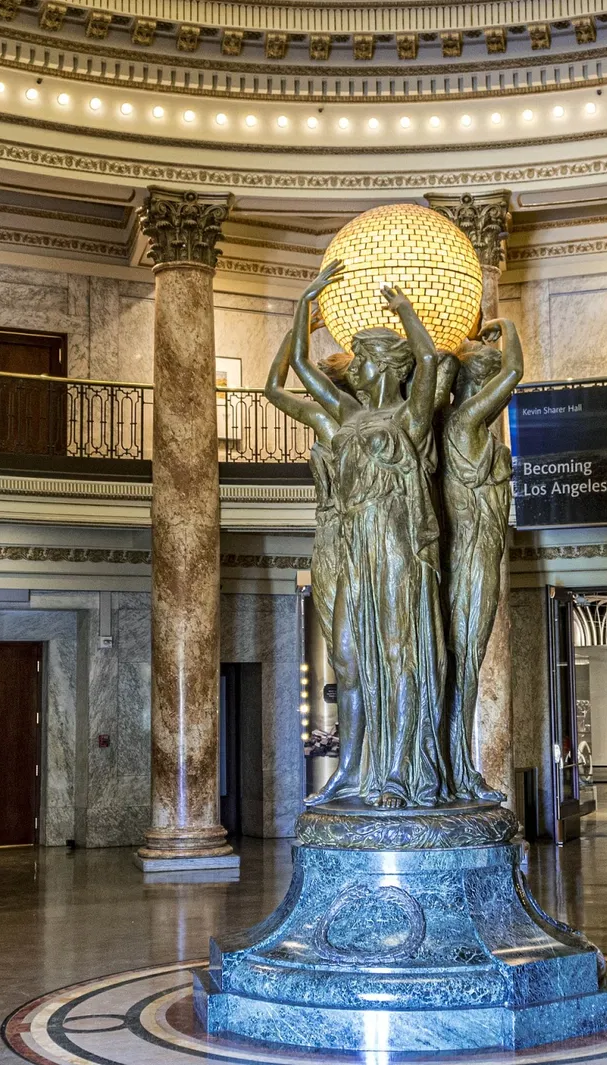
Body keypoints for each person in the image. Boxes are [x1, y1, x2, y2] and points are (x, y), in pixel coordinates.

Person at [265, 261, 452, 808]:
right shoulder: (342, 417)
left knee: (398, 658)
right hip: (353, 548)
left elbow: (431, 358)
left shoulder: (411, 419)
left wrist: (406, 313)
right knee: (346, 656)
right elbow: (284, 379)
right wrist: (304, 310)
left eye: (362, 360)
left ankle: (395, 772)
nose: (354, 370)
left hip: (396, 547)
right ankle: (349, 769)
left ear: (381, 366)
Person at [437, 321, 522, 801]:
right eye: (490, 380)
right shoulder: (466, 423)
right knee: (464, 662)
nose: (498, 389)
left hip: (482, 550)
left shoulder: (470, 427)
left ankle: (456, 766)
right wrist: (507, 326)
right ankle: (457, 769)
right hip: (471, 554)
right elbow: (516, 372)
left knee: (466, 662)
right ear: (479, 384)